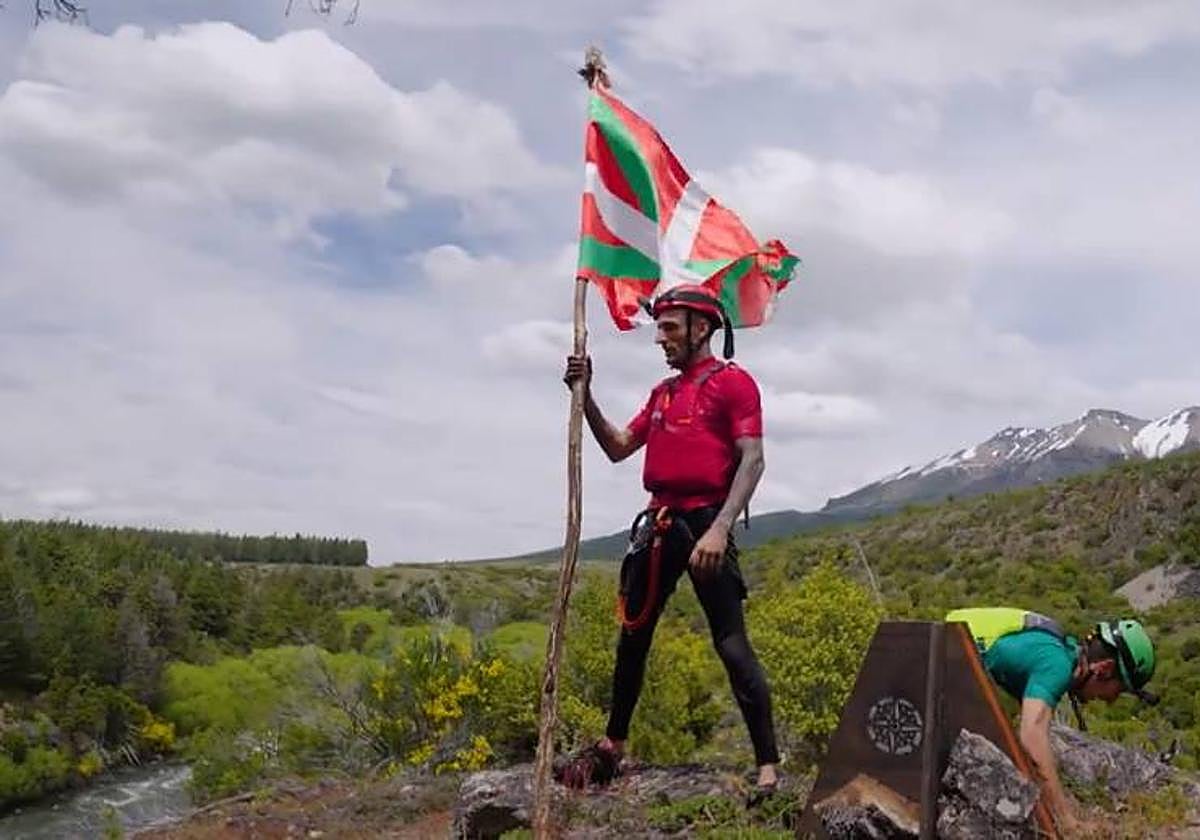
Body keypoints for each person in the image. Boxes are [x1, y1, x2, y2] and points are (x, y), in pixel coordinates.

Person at [559, 284, 779, 797]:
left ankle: (768, 767)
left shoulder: (734, 384)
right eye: (659, 328)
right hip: (658, 525)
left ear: (701, 328)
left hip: (706, 523)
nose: (660, 338)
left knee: (730, 643)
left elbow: (754, 459)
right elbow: (617, 447)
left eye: (670, 327)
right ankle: (613, 747)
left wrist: (721, 528)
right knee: (632, 639)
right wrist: (584, 393)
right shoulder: (662, 394)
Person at [945, 607, 1157, 834]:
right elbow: (1032, 736)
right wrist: (1066, 820)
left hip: (938, 657)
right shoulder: (1056, 664)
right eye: (1118, 690)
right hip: (939, 669)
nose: (1111, 700)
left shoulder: (1055, 646)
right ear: (1105, 669)